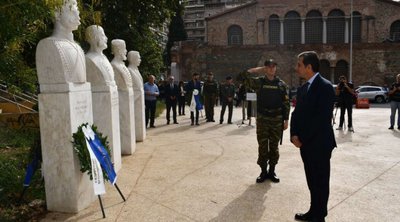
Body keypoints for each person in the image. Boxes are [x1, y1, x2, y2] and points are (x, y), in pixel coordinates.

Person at [290, 51, 337, 222]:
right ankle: (313, 211)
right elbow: (296, 114)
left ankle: (320, 215)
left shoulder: (325, 87)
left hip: (320, 144)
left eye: (299, 65)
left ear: (309, 67)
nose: (297, 69)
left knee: (321, 181)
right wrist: (294, 134)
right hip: (305, 144)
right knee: (311, 180)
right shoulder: (303, 88)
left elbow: (322, 119)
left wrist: (303, 138)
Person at [246, 59, 290, 183]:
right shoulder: (259, 82)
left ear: (276, 68)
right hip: (262, 119)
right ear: (265, 68)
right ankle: (263, 171)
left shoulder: (281, 84)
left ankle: (272, 171)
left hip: (276, 119)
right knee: (263, 146)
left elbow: (286, 103)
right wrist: (257, 69)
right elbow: (242, 77)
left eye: (273, 66)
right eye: (268, 67)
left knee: (274, 146)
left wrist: (286, 120)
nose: (271, 69)